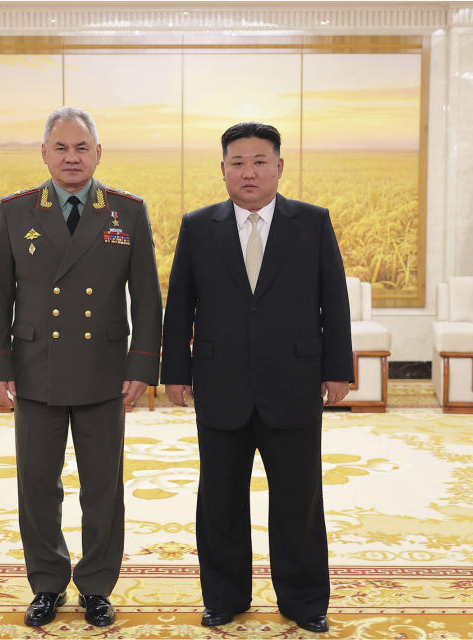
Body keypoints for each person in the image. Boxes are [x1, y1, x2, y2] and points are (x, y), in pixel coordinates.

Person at [161, 122, 354, 633]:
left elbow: (332, 299)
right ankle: (224, 596)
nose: (249, 172)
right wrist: (174, 372)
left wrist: (339, 369)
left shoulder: (311, 223)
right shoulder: (198, 226)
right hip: (219, 383)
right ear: (223, 168)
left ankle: (305, 600)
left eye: (260, 161)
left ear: (279, 166)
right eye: (238, 162)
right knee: (219, 499)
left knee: (300, 499)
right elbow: (181, 304)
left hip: (293, 382)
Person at [0, 106, 162, 628]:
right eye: (60, 148)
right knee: (37, 483)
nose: (71, 157)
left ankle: (97, 585)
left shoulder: (126, 210)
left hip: (105, 370)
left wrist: (142, 364)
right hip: (35, 367)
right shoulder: (16, 210)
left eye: (82, 147)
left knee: (103, 485)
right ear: (44, 154)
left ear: (98, 153)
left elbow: (147, 298)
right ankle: (46, 582)